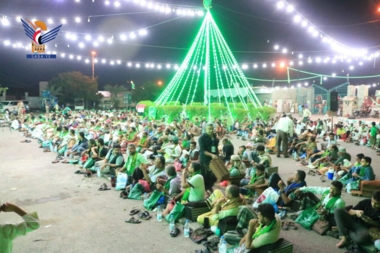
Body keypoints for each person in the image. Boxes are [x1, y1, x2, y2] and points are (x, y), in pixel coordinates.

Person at [198, 123, 219, 191]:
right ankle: (205, 189)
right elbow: (203, 150)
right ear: (205, 129)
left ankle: (209, 187)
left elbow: (216, 147)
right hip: (205, 159)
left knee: (214, 175)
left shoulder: (215, 137)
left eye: (212, 129)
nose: (211, 130)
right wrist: (212, 155)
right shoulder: (201, 138)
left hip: (214, 158)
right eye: (209, 129)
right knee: (205, 175)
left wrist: (217, 155)